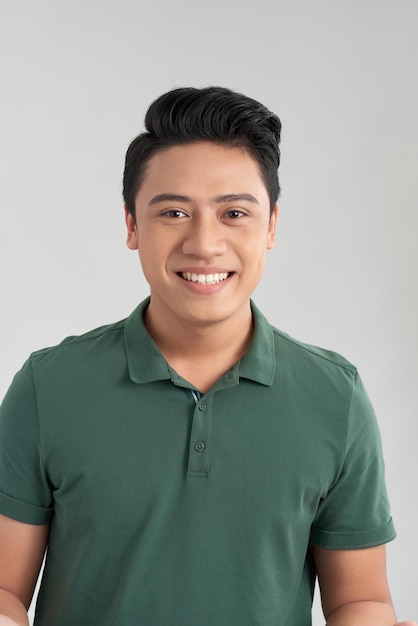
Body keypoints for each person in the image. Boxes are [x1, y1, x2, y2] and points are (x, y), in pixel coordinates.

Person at [0, 87, 415, 626]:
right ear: (131, 225)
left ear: (271, 226)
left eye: (234, 213)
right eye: (173, 212)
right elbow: (6, 587)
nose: (204, 243)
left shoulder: (336, 397)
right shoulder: (47, 387)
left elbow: (359, 598)